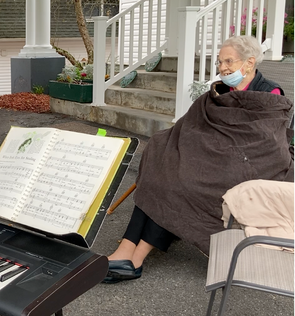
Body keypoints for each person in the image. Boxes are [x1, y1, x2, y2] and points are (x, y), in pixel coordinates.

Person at [104, 35, 294, 284]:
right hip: (212, 158)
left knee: (180, 183)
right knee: (160, 164)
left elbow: (266, 142)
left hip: (251, 165)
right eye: (219, 62)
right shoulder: (221, 90)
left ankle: (137, 256)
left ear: (249, 62)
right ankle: (126, 248)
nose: (222, 68)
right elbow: (198, 124)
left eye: (228, 61)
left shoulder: (270, 93)